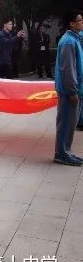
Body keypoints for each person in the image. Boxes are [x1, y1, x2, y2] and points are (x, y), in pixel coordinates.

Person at [53, 11, 83, 166]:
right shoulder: (68, 42)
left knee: (71, 123)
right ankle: (61, 153)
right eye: (80, 20)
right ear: (72, 23)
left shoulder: (75, 39)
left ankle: (67, 150)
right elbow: (68, 69)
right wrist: (72, 90)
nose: (82, 22)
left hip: (75, 89)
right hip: (68, 92)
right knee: (65, 123)